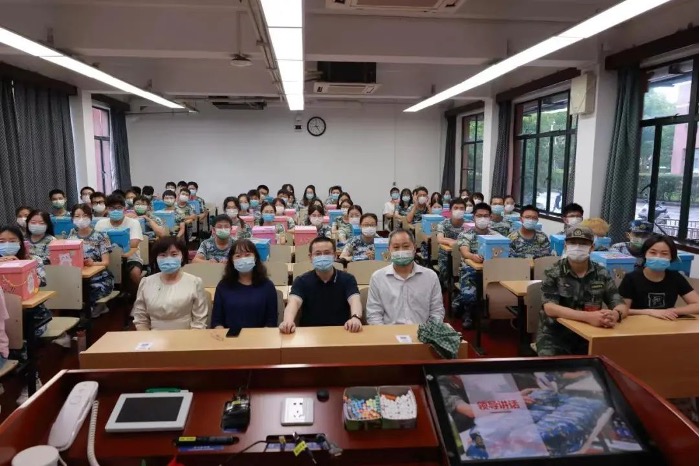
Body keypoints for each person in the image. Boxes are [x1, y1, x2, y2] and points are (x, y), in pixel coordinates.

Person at [536, 226, 628, 356]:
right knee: (551, 364)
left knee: (613, 359)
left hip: (592, 332)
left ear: (592, 247)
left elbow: (619, 303)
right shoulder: (553, 271)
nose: (577, 247)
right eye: (573, 243)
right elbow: (550, 308)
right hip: (555, 335)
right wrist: (588, 317)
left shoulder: (601, 273)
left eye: (583, 243)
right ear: (566, 246)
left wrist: (615, 314)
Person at [279, 237, 362, 333]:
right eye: (318, 254)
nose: (322, 257)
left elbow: (355, 300)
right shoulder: (301, 281)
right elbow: (294, 302)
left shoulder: (348, 279)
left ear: (335, 256)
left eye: (327, 253)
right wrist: (288, 321)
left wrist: (355, 317)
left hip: (342, 331)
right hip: (309, 333)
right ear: (310, 257)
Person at [366, 229, 445, 325]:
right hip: (389, 332)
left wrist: (428, 332)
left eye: (406, 246)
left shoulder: (430, 277)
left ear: (414, 248)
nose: (401, 251)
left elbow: (437, 311)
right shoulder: (378, 278)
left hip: (422, 331)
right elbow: (374, 315)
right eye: (396, 247)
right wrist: (385, 333)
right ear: (389, 250)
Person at [132, 237, 207, 331]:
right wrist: (147, 337)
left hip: (187, 335)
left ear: (182, 256)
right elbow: (140, 320)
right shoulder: (146, 283)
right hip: (153, 336)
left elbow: (199, 322)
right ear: (156, 258)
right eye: (163, 255)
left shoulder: (195, 282)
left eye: (174, 254)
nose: (168, 258)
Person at [619, 235, 698, 320]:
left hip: (668, 323)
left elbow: (697, 305)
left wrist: (672, 311)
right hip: (639, 323)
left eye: (664, 254)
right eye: (653, 253)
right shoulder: (631, 278)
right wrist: (650, 312)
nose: (658, 257)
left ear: (671, 257)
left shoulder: (676, 277)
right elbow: (622, 310)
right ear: (645, 254)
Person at [211, 239, 278, 329]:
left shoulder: (267, 286)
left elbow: (271, 321)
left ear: (255, 258)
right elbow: (216, 321)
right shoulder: (223, 286)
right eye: (238, 256)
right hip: (229, 336)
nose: (243, 259)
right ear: (232, 260)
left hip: (260, 335)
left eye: (247, 255)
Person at [454, 203, 497, 328]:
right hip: (470, 271)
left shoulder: (495, 236)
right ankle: (467, 311)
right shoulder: (465, 234)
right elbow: (465, 252)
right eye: (479, 216)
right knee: (469, 295)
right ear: (474, 217)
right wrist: (473, 256)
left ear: (490, 217)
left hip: (491, 271)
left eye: (486, 216)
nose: (482, 218)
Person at [67, 204, 114, 317]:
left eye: (85, 215)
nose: (81, 219)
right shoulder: (71, 235)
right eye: (77, 216)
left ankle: (94, 310)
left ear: (90, 217)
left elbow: (106, 262)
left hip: (99, 277)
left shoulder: (101, 236)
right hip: (77, 276)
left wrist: (93, 263)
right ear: (72, 218)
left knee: (89, 294)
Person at [95, 194, 144, 289]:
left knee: (134, 273)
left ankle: (140, 293)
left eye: (119, 208)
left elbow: (134, 244)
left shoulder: (133, 223)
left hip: (130, 258)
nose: (115, 211)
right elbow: (95, 243)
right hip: (106, 258)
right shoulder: (101, 224)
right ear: (107, 209)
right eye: (112, 208)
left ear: (124, 209)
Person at [436, 198, 467, 287]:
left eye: (461, 208)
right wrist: (451, 242)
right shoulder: (443, 223)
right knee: (446, 272)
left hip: (464, 255)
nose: (459, 210)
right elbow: (440, 239)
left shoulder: (469, 224)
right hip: (446, 255)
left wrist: (455, 242)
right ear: (450, 210)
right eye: (456, 208)